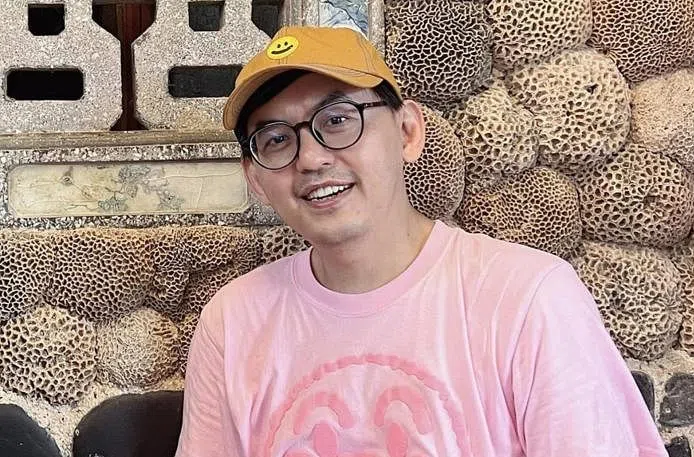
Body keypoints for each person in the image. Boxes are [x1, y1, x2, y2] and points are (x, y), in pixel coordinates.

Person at [175, 25, 668, 457]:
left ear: (408, 131)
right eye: (277, 139)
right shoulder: (233, 321)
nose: (311, 158)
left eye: (338, 119)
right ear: (256, 178)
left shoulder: (530, 299)